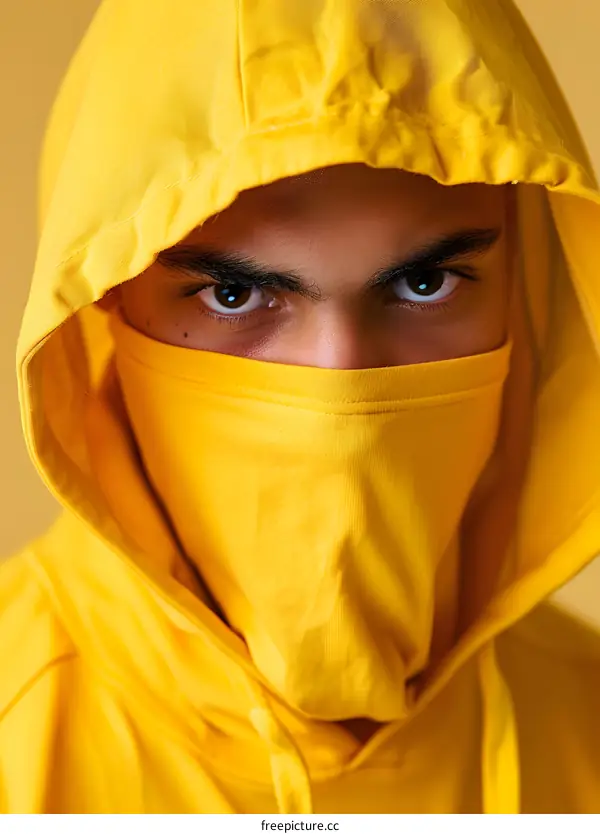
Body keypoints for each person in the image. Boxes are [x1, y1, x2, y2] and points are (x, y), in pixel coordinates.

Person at [2, 0, 600, 815]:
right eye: (234, 293)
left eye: (424, 283)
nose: (340, 381)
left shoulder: (583, 713)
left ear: (526, 277)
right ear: (105, 301)